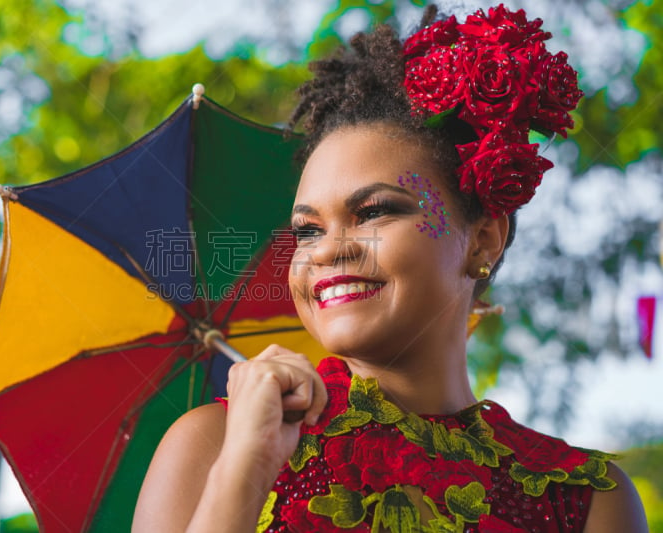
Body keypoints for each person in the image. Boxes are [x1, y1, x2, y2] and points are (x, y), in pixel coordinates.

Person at [132, 5, 648, 532]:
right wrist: (245, 470)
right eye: (307, 230)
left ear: (484, 238)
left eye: (374, 212)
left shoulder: (585, 501)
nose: (328, 251)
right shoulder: (211, 443)